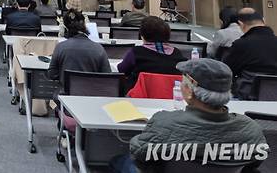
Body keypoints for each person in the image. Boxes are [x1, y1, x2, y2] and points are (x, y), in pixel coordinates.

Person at [111, 59, 267, 173]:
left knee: (118, 161)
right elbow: (254, 163)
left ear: (190, 91)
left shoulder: (164, 122)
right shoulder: (251, 129)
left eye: (182, 83)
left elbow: (139, 154)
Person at [117, 16, 186, 90]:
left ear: (142, 36)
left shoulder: (136, 52)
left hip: (139, 98)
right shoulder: (177, 53)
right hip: (171, 97)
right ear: (167, 35)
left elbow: (121, 69)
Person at [47, 9, 110, 88]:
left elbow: (51, 74)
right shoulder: (99, 49)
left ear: (65, 29)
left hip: (66, 97)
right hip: (92, 96)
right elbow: (107, 76)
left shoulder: (60, 47)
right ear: (84, 26)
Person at [223, 7, 277, 99]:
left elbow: (226, 70)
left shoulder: (240, 44)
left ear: (240, 24)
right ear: (263, 20)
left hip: (247, 98)